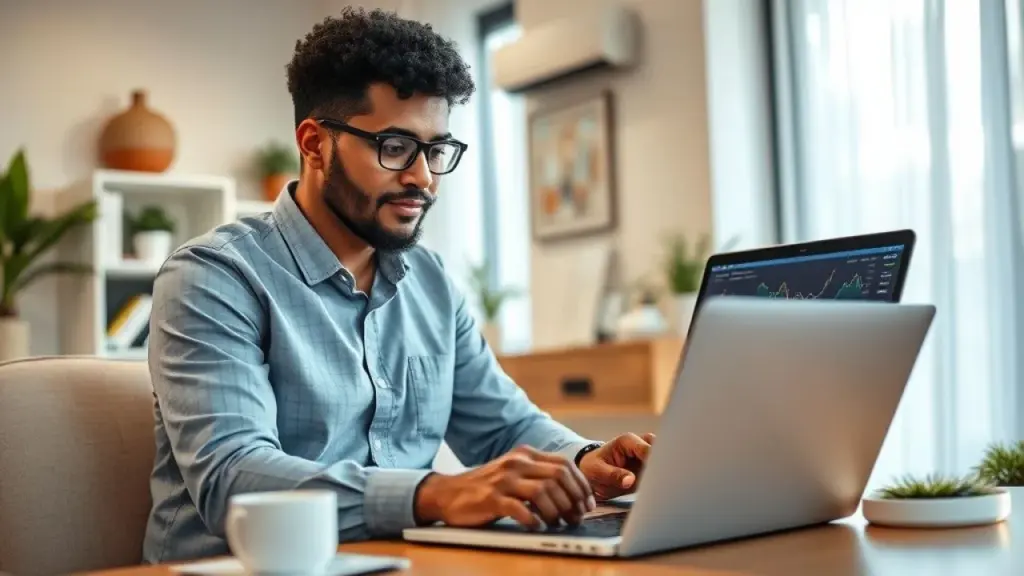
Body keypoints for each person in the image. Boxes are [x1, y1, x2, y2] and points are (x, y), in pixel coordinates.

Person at [142, 7, 655, 564]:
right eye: (394, 147)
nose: (423, 177)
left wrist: (583, 460)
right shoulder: (213, 277)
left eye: (435, 150)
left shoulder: (431, 282)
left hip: (396, 563)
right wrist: (438, 493)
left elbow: (504, 424)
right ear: (315, 144)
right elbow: (231, 476)